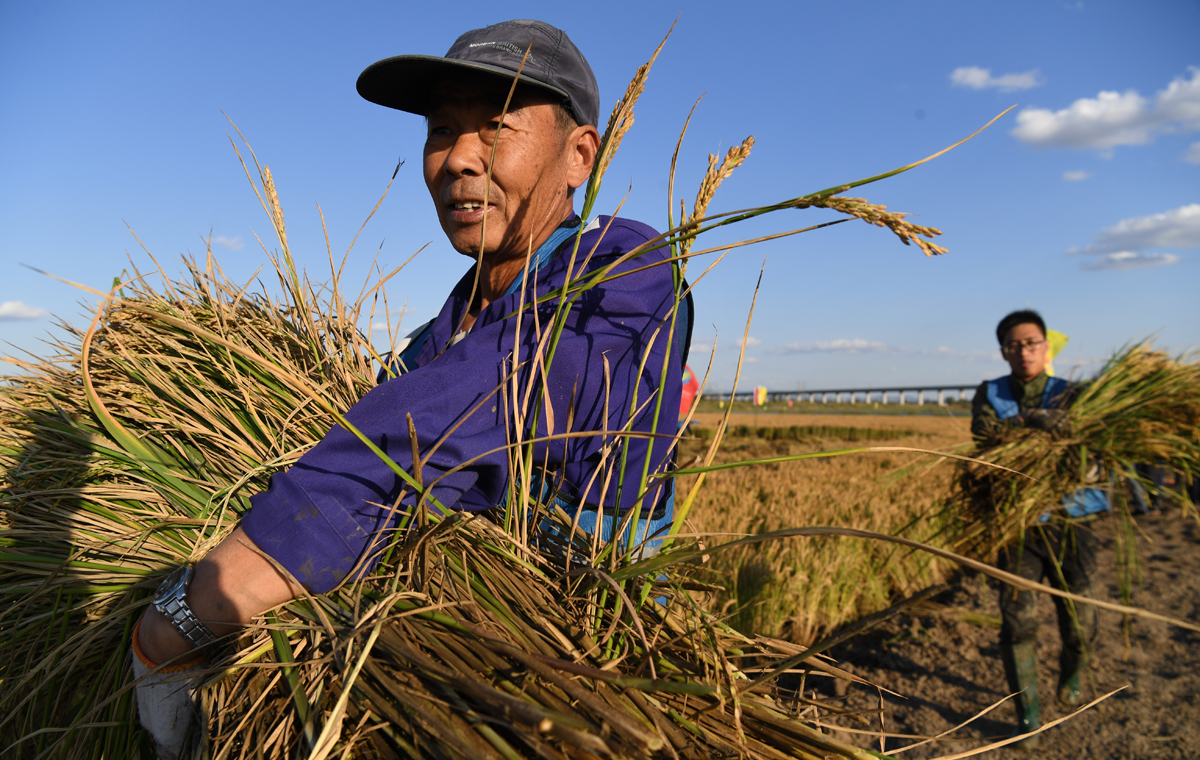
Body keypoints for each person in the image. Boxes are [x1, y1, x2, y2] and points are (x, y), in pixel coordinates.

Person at [131, 20, 685, 757]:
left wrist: (194, 609)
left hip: (576, 676)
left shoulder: (625, 275)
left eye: (495, 126)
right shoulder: (435, 339)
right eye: (442, 130)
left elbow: (477, 404)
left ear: (578, 154)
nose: (457, 158)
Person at [971, 309, 1108, 747]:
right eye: (1015, 344)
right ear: (1004, 352)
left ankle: (1072, 672)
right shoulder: (990, 394)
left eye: (1031, 343)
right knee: (1017, 623)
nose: (1024, 350)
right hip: (1019, 526)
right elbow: (984, 442)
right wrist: (1028, 422)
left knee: (1080, 623)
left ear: (1046, 348)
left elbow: (1098, 452)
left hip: (1074, 520)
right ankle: (1028, 716)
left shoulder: (1075, 394)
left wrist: (1081, 448)